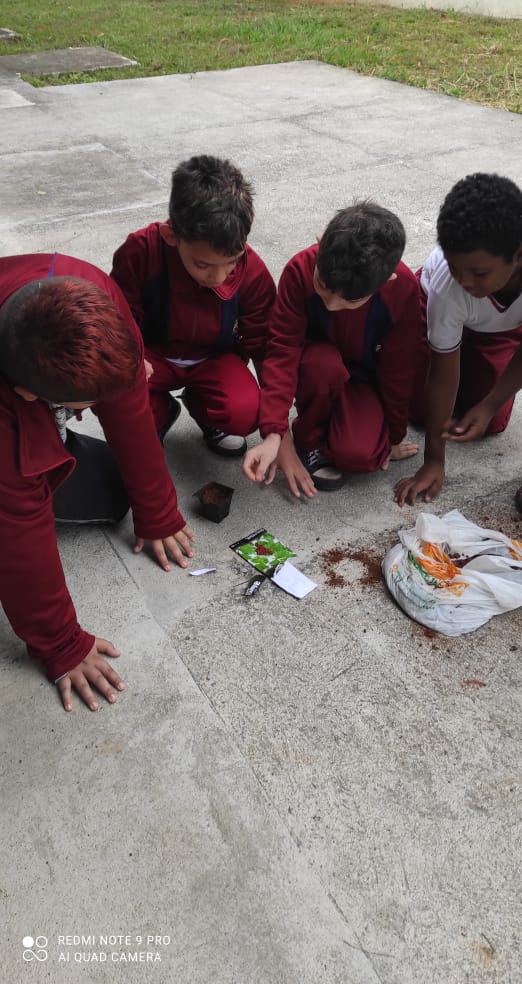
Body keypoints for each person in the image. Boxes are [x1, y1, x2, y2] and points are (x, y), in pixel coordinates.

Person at [0, 252, 195, 714]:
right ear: (29, 394)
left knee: (114, 493)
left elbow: (129, 403)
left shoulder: (91, 290)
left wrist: (157, 511)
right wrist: (61, 644)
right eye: (83, 405)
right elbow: (18, 529)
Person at [243, 201, 420, 497]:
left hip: (364, 380)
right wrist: (275, 432)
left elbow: (399, 369)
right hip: (317, 370)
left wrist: (392, 435)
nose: (332, 305)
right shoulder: (299, 270)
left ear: (386, 281)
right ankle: (310, 440)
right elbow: (282, 352)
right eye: (323, 286)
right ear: (320, 242)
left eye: (350, 301)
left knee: (361, 456)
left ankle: (344, 430)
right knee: (322, 364)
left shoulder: (402, 288)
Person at [111, 154, 276, 453]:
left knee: (246, 410)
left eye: (231, 262)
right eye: (203, 264)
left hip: (214, 360)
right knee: (117, 393)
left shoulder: (252, 270)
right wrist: (131, 358)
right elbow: (120, 319)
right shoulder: (140, 251)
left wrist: (275, 429)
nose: (218, 277)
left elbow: (264, 345)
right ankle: (160, 412)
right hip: (152, 358)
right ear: (171, 236)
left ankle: (206, 412)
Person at [395, 172, 522, 508]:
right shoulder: (447, 287)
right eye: (454, 267)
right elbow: (442, 371)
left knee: (488, 423)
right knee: (421, 412)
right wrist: (434, 460)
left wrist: (490, 404)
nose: (464, 281)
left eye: (479, 273)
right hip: (433, 311)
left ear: (518, 256)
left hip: (499, 329)